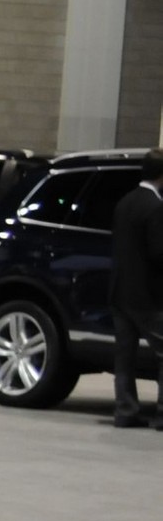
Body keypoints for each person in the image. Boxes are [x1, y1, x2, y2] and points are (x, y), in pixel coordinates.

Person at [109, 150, 163, 427]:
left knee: (124, 356)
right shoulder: (155, 207)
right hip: (146, 296)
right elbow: (157, 252)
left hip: (120, 291)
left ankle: (125, 411)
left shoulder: (125, 202)